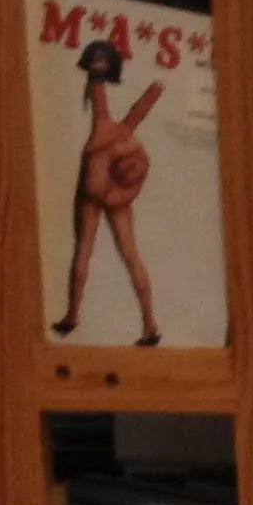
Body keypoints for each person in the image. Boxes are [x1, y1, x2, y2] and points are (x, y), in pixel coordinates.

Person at [56, 37, 166, 345]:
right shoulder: (118, 134)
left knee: (90, 251)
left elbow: (116, 102)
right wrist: (156, 88)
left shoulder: (111, 135)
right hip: (108, 187)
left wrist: (98, 76)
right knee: (115, 254)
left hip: (104, 189)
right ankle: (147, 324)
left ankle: (77, 316)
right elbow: (136, 109)